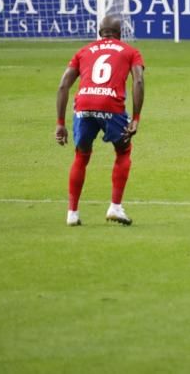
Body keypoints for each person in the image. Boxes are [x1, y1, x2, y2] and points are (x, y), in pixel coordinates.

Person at [55, 15, 145, 227]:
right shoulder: (130, 51)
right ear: (120, 33)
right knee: (123, 152)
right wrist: (137, 117)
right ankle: (115, 207)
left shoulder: (83, 51)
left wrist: (60, 123)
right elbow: (138, 80)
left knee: (81, 155)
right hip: (111, 106)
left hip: (84, 105)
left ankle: (72, 213)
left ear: (99, 33)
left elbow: (63, 86)